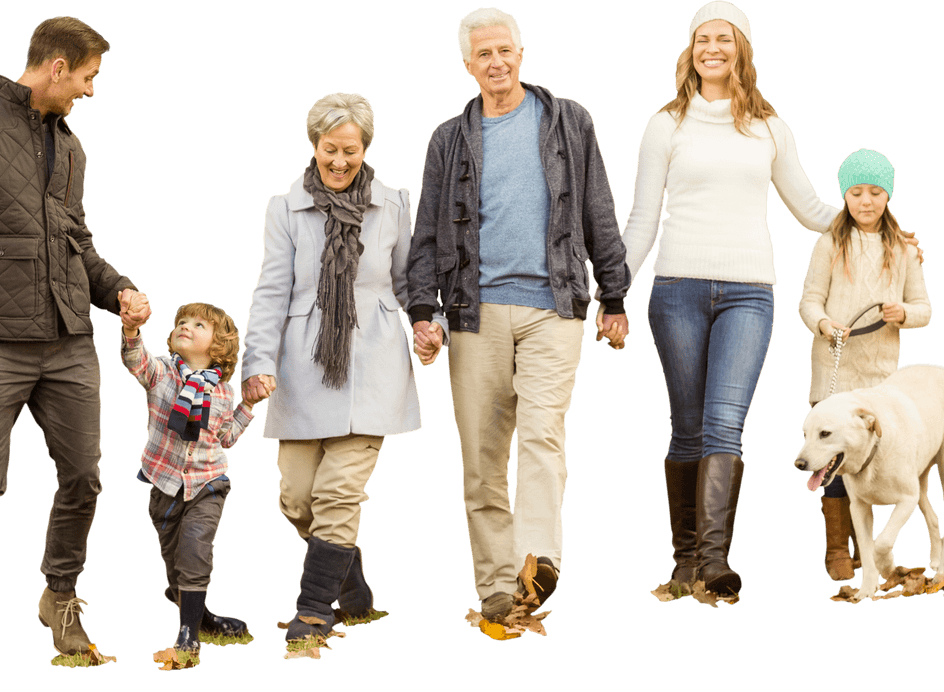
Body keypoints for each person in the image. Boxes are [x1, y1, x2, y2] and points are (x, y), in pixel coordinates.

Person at [618, 1, 923, 596]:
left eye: (724, 39)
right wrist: (610, 289)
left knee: (725, 424)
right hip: (675, 287)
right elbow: (640, 220)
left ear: (742, 50)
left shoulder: (769, 128)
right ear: (690, 50)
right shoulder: (665, 125)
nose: (712, 47)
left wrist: (879, 220)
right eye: (702, 38)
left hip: (750, 292)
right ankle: (683, 564)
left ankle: (713, 564)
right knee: (686, 428)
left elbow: (812, 210)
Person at [0, 16, 148, 679]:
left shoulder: (70, 147)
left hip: (68, 341)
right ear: (61, 67)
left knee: (86, 478)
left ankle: (60, 599)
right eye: (91, 78)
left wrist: (120, 290)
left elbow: (77, 245)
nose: (93, 93)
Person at [406, 7, 630, 623]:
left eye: (504, 50)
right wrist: (422, 311)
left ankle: (539, 561)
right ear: (467, 64)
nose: (496, 62)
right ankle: (500, 591)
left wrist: (614, 296)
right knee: (482, 460)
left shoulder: (569, 120)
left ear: (521, 53)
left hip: (554, 308)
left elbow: (598, 209)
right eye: (483, 55)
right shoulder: (447, 139)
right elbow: (425, 233)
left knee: (541, 436)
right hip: (471, 315)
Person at [241, 92, 442, 645]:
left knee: (338, 497)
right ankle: (352, 589)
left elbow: (410, 283)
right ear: (314, 145)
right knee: (297, 499)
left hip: (373, 364)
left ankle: (312, 612)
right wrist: (257, 362)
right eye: (330, 149)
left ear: (365, 148)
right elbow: (270, 292)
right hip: (302, 368)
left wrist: (430, 325)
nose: (339, 161)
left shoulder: (392, 204)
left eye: (349, 151)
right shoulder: (284, 208)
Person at [799, 149, 930, 580]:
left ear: (888, 195)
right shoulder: (828, 244)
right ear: (844, 196)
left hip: (881, 380)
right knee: (832, 455)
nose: (866, 201)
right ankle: (836, 548)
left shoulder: (904, 250)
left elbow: (924, 309)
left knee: (873, 457)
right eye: (856, 192)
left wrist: (903, 315)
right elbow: (808, 300)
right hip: (835, 373)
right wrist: (822, 323)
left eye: (875, 192)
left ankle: (866, 550)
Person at [120, 301, 257, 656]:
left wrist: (248, 407)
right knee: (176, 565)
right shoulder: (163, 373)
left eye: (199, 324)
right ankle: (203, 617)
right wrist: (132, 331)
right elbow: (137, 361)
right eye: (182, 321)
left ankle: (188, 636)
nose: (186, 326)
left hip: (208, 483)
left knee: (195, 551)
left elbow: (226, 438)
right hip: (164, 484)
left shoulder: (224, 393)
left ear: (218, 345)